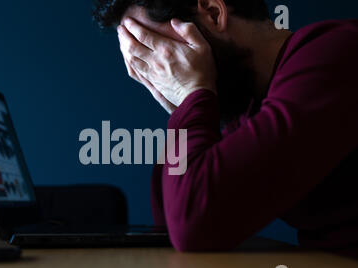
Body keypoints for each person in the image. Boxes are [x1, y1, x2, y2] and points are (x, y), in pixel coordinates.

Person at [93, 0, 358, 255]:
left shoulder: (337, 53)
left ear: (212, 13)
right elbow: (168, 225)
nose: (156, 69)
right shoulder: (252, 108)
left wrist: (189, 96)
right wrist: (185, 108)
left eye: (155, 47)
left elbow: (192, 221)